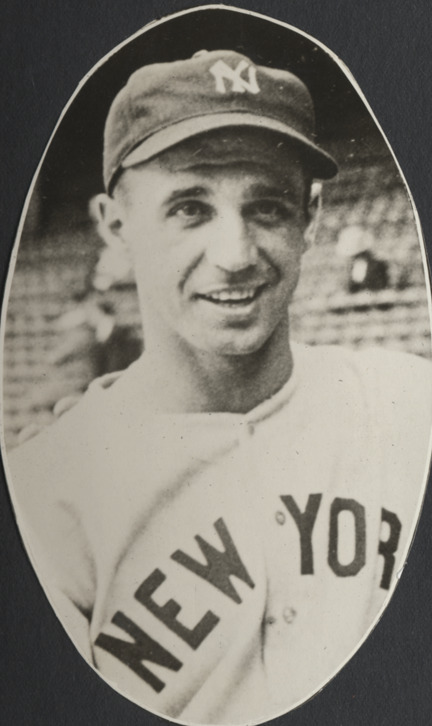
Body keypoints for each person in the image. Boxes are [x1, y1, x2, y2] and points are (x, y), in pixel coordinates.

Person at [6, 50, 432, 725]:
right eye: (189, 208)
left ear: (311, 217)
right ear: (115, 226)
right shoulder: (45, 500)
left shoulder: (409, 408)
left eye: (267, 207)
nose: (235, 255)